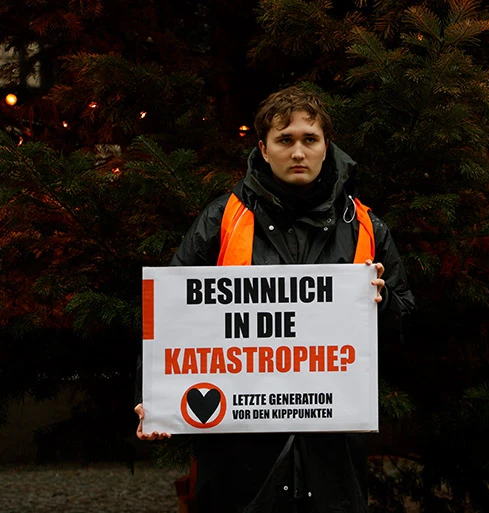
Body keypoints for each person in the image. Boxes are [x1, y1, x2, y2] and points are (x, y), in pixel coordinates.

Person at [134, 86, 415, 513]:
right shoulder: (222, 218)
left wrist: (384, 301)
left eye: (310, 139)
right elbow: (169, 317)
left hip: (333, 459)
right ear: (263, 150)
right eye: (285, 140)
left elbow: (407, 321)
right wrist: (151, 398)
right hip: (238, 462)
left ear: (326, 146)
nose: (298, 152)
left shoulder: (364, 225)